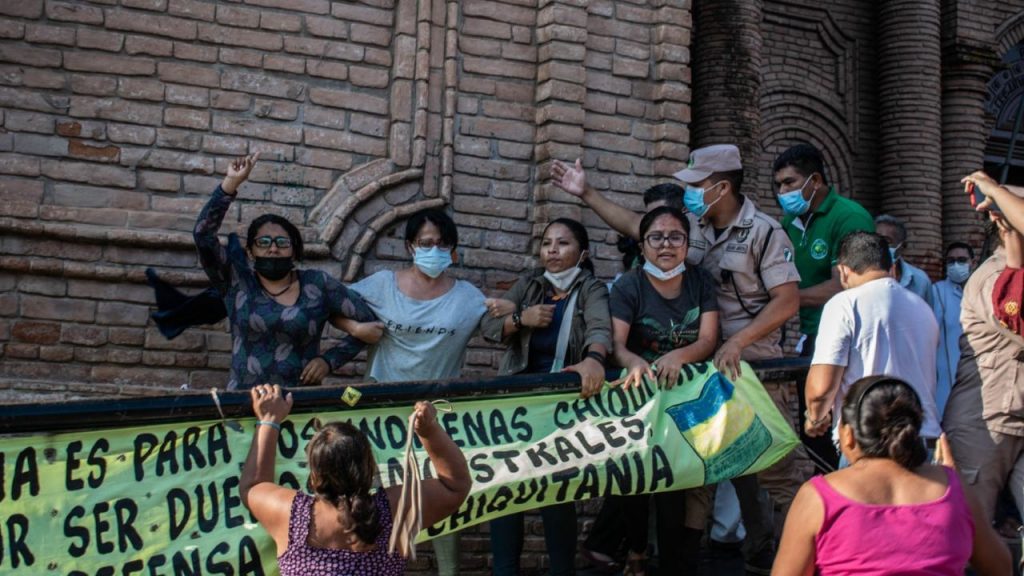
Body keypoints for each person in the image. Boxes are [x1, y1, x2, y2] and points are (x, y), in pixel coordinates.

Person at [673, 144, 805, 571]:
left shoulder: (766, 232)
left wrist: (738, 342)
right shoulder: (692, 227)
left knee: (776, 472)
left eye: (697, 186)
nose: (689, 194)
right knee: (702, 466)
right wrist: (587, 194)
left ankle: (794, 560)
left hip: (754, 369)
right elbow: (643, 230)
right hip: (702, 369)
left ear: (722, 187)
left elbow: (787, 301)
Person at [346, 208, 487, 575]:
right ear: (410, 246)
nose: (434, 250)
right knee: (377, 502)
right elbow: (329, 302)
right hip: (380, 414)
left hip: (437, 415)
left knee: (442, 495)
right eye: (426, 243)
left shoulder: (469, 297)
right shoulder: (380, 285)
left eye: (442, 244)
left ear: (453, 251)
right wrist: (354, 328)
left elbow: (500, 326)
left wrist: (516, 314)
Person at [480, 218, 612, 576]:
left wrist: (594, 359)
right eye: (547, 243)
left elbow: (600, 327)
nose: (552, 250)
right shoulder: (530, 284)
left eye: (563, 243)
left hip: (561, 407)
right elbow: (490, 327)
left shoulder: (591, 288)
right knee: (505, 490)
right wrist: (523, 318)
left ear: (582, 253)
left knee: (556, 495)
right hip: (516, 405)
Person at [773, 376, 1009, 576]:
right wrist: (955, 488)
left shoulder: (818, 498)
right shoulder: (952, 490)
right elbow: (1001, 567)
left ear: (848, 435)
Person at [594, 205, 720, 576]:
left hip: (686, 400)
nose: (666, 245)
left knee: (674, 488)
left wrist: (680, 355)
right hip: (638, 400)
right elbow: (616, 343)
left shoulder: (699, 281)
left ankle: (670, 564)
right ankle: (634, 551)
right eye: (656, 237)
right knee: (635, 480)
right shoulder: (630, 284)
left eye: (675, 237)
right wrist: (634, 361)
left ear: (687, 243)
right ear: (643, 244)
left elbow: (709, 338)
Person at [239, 384, 472, 575]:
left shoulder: (290, 516)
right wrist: (428, 430)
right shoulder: (393, 512)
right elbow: (454, 485)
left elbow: (253, 486)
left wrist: (269, 420)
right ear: (369, 468)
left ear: (314, 475)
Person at [193, 154, 378, 389]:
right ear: (250, 251)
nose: (273, 249)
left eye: (282, 243)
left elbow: (370, 324)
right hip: (243, 403)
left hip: (300, 408)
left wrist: (328, 361)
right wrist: (230, 183)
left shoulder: (317, 284)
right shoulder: (236, 281)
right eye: (264, 243)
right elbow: (202, 235)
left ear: (293, 250)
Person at [773, 143, 874, 472]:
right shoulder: (789, 223)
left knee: (847, 431)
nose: (782, 191)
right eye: (778, 185)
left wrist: (783, 299)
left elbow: (845, 284)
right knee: (814, 435)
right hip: (809, 338)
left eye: (789, 182)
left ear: (814, 180)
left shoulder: (849, 216)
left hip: (847, 339)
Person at [804, 232, 940, 461]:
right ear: (892, 268)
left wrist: (815, 418)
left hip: (869, 443)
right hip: (922, 440)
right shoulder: (922, 308)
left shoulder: (845, 304)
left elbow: (821, 388)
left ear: (843, 270)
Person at [944, 170, 1024, 544]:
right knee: (971, 536)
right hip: (984, 423)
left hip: (1015, 420)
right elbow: (1016, 314)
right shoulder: (993, 276)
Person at [930, 241, 975, 416]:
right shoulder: (937, 292)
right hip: (947, 377)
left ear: (973, 262)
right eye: (951, 261)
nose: (956, 265)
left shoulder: (980, 291)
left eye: (962, 260)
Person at [874, 214, 933, 306]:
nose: (880, 245)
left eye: (886, 241)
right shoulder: (862, 278)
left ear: (902, 247)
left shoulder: (920, 281)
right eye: (876, 240)